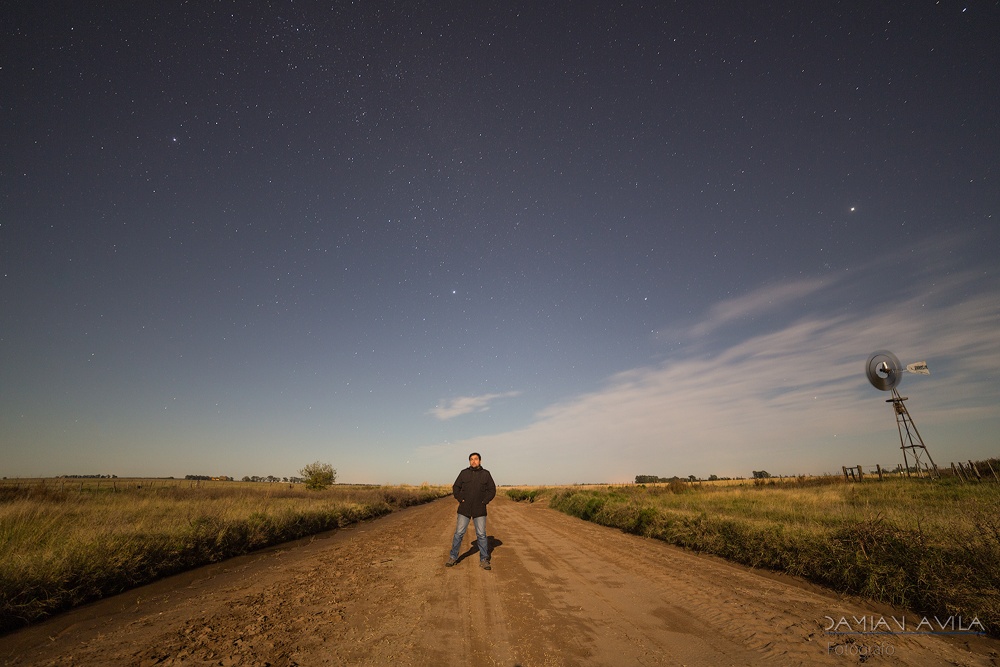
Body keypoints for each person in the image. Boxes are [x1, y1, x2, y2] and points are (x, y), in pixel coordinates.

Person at [446, 452, 497, 570]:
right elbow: (456, 487)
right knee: (459, 534)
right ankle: (453, 557)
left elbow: (492, 490)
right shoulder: (464, 473)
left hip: (480, 510)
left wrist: (484, 501)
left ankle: (484, 559)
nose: (473, 461)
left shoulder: (486, 474)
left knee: (481, 535)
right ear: (469, 461)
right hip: (464, 509)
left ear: (480, 461)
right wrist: (460, 499)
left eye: (476, 459)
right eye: (471, 459)